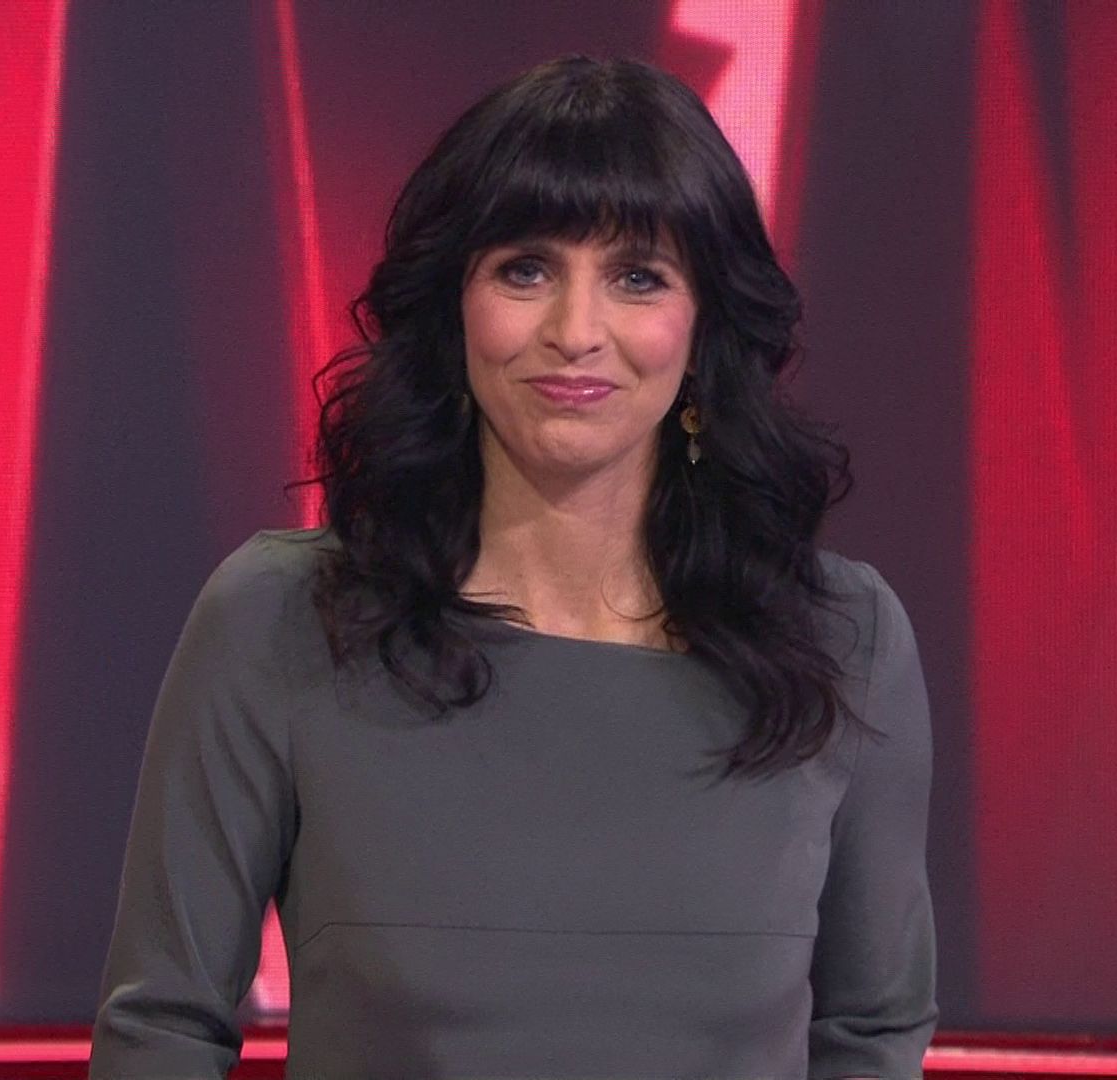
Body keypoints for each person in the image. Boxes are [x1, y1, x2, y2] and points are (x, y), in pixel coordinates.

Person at [89, 54, 937, 1078]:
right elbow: (162, 1032)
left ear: (706, 324)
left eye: (637, 277)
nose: (575, 332)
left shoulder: (842, 639)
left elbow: (870, 1034)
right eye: (525, 269)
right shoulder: (284, 619)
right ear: (454, 308)